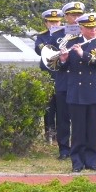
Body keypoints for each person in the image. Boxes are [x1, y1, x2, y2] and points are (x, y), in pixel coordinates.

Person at [58, 12, 96, 172]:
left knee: (92, 128)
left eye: (95, 27)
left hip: (93, 90)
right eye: (89, 27)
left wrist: (84, 54)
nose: (94, 30)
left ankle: (92, 161)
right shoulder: (71, 43)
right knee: (78, 129)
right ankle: (77, 162)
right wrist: (63, 59)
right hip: (77, 91)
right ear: (81, 28)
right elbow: (61, 69)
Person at [51, 1, 85, 160]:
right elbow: (51, 60)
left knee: (80, 118)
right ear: (65, 17)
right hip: (64, 81)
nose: (77, 18)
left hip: (81, 81)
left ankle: (81, 147)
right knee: (63, 118)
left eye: (79, 15)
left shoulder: (86, 33)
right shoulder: (57, 34)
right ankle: (64, 148)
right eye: (73, 15)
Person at [35, 8, 63, 143]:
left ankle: (61, 133)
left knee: (62, 104)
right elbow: (39, 49)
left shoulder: (66, 35)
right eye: (51, 22)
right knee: (49, 104)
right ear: (45, 23)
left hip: (62, 72)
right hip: (48, 74)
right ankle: (49, 133)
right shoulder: (42, 36)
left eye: (57, 21)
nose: (54, 24)